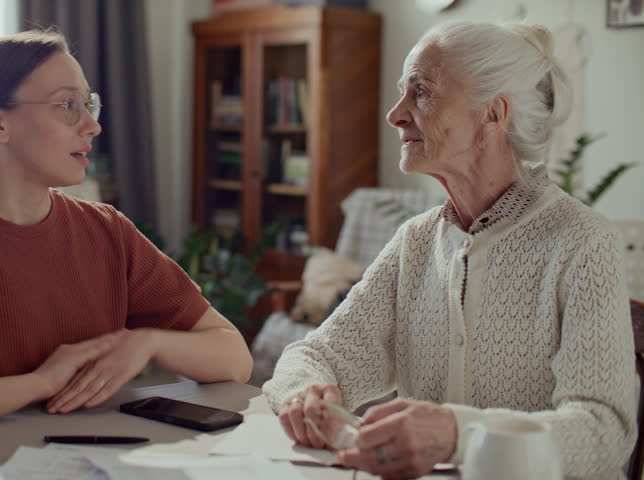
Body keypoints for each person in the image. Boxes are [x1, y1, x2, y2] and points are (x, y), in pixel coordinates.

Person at [264, 21, 637, 480]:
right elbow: (314, 356)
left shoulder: (582, 242)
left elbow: (605, 431)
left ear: (492, 115)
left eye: (421, 92)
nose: (395, 114)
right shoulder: (416, 242)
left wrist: (457, 434)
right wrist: (307, 392)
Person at [0, 30, 252, 442]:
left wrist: (146, 342)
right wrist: (41, 383)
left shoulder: (108, 231)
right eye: (67, 105)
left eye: (89, 104)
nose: (93, 125)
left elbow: (233, 357)